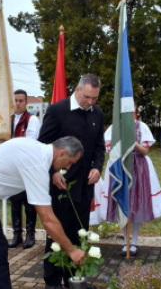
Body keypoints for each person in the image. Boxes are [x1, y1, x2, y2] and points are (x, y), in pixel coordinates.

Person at [0, 136, 85, 289]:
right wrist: (71, 250)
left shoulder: (37, 150)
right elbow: (47, 219)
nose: (67, 168)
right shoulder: (37, 163)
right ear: (61, 153)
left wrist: (52, 173)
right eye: (69, 162)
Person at [38, 74, 105, 289]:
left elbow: (99, 147)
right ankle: (52, 280)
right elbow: (42, 146)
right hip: (60, 184)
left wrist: (96, 167)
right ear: (77, 90)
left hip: (85, 186)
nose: (91, 102)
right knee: (58, 231)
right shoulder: (57, 110)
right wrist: (52, 172)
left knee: (80, 231)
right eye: (87, 97)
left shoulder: (97, 113)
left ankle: (74, 278)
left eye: (95, 98)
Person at [101, 119, 161, 256]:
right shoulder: (114, 127)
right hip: (119, 167)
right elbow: (110, 151)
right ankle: (125, 241)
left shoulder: (141, 127)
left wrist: (133, 142)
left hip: (138, 167)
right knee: (122, 203)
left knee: (136, 203)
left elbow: (145, 151)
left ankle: (134, 242)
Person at [8, 89, 41, 249]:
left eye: (21, 100)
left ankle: (30, 234)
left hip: (27, 167)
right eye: (15, 100)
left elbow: (30, 143)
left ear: (26, 102)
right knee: (15, 201)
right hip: (13, 167)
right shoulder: (9, 120)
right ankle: (16, 234)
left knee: (29, 202)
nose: (18, 103)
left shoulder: (32, 120)